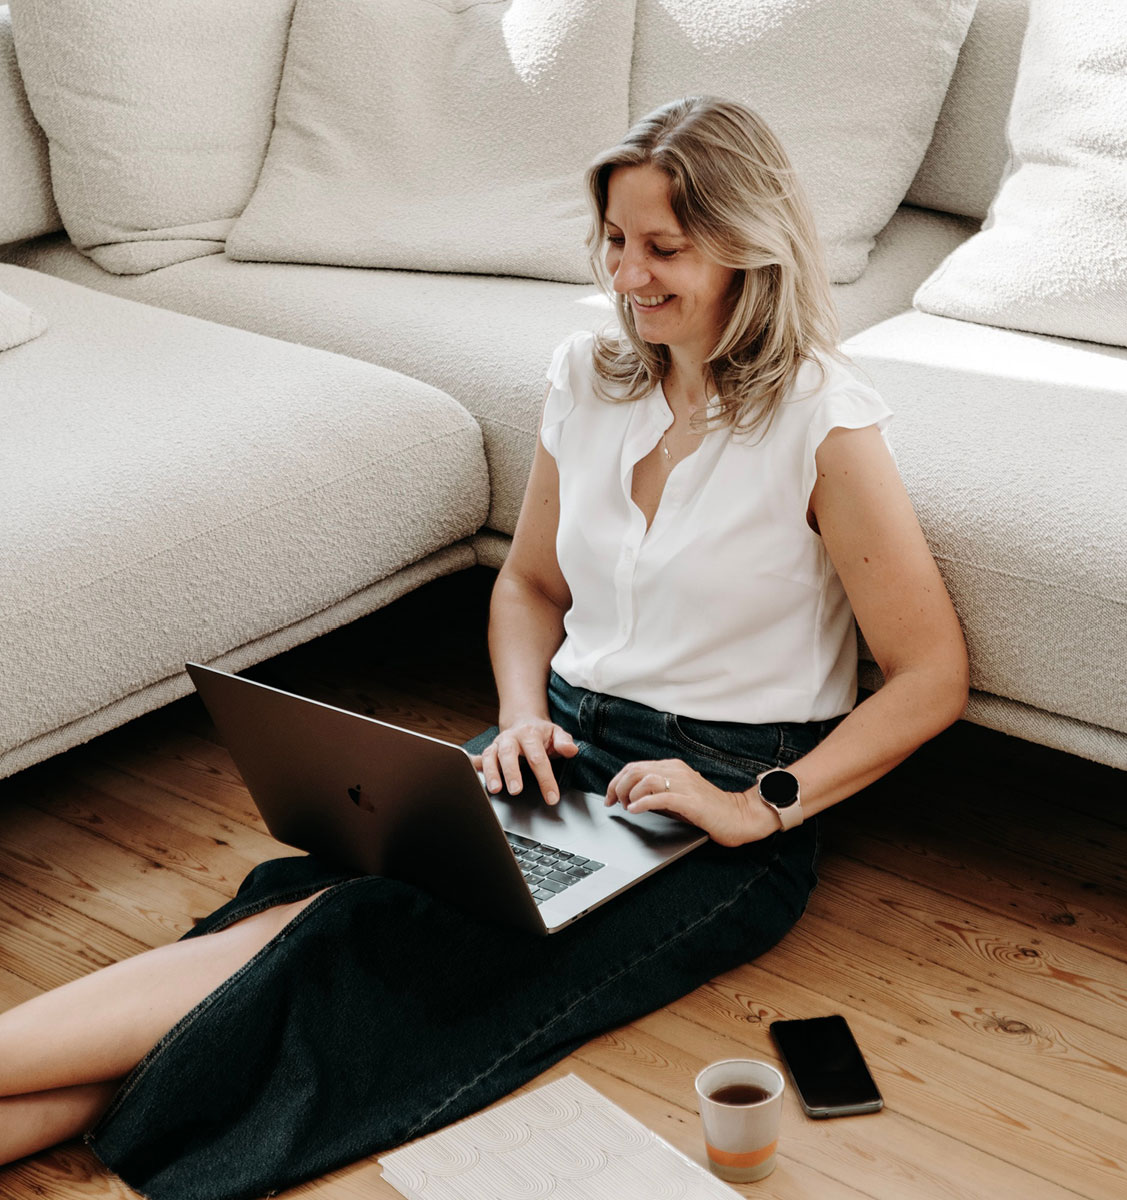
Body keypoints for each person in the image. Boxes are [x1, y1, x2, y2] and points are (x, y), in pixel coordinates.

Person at [0, 96, 967, 1197]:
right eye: (614, 239)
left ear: (747, 244)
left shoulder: (820, 420)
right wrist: (521, 715)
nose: (630, 274)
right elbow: (532, 583)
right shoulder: (590, 375)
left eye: (664, 246)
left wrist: (762, 804)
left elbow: (930, 675)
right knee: (304, 910)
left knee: (348, 942)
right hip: (560, 747)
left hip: (713, 796)